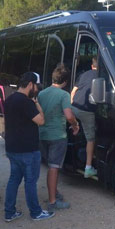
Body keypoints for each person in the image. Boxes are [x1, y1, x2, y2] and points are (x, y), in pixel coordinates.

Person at [4, 72, 55, 222]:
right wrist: (37, 103)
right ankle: (36, 212)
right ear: (31, 84)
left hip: (12, 148)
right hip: (28, 149)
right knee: (30, 182)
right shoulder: (26, 102)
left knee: (13, 180)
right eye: (36, 86)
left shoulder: (10, 99)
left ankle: (9, 212)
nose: (37, 90)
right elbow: (41, 120)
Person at [38, 64, 79, 212]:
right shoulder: (64, 95)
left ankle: (53, 192)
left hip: (42, 135)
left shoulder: (42, 94)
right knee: (54, 167)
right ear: (66, 82)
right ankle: (52, 201)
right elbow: (69, 115)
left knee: (50, 166)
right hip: (57, 136)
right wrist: (75, 125)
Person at [70, 57, 98, 178]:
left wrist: (71, 107)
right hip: (87, 110)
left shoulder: (84, 74)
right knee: (90, 138)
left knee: (74, 128)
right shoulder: (103, 76)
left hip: (75, 106)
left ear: (92, 66)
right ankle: (88, 168)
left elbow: (73, 92)